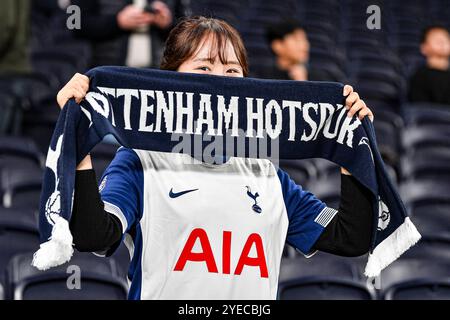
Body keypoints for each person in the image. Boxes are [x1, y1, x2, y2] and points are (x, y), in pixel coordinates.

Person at [56, 16, 374, 300]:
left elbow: (351, 237)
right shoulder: (140, 161)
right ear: (169, 80)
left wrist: (351, 151)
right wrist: (79, 143)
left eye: (231, 71)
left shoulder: (267, 174)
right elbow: (92, 235)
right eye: (204, 68)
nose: (219, 82)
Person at [72, 0, 185, 68]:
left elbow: (187, 28)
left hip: (157, 73)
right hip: (108, 72)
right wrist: (117, 22)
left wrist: (167, 23)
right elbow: (74, 24)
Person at [408, 25, 450, 105]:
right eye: (436, 39)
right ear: (424, 48)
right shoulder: (419, 76)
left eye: (446, 39)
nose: (442, 42)